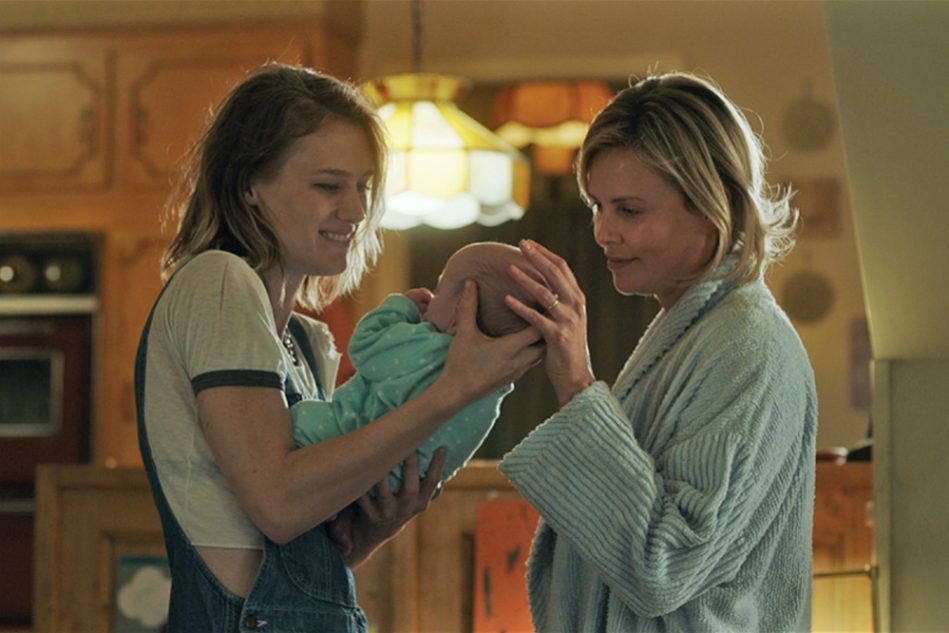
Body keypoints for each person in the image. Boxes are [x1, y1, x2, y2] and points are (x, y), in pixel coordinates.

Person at [134, 63, 543, 633]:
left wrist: (373, 528)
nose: (355, 210)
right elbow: (278, 505)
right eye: (329, 186)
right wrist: (450, 392)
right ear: (249, 186)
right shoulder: (218, 282)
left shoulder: (306, 340)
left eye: (364, 187)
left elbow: (298, 558)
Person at [500, 72, 818, 631]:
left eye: (629, 210)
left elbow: (661, 566)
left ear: (710, 208)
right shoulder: (696, 333)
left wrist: (577, 385)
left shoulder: (748, 347)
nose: (602, 232)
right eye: (597, 206)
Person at [292, 241, 544, 495]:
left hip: (350, 453)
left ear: (460, 313)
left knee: (299, 416)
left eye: (439, 290)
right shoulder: (494, 386)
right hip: (399, 488)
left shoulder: (428, 347)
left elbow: (363, 348)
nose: (430, 298)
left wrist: (400, 308)